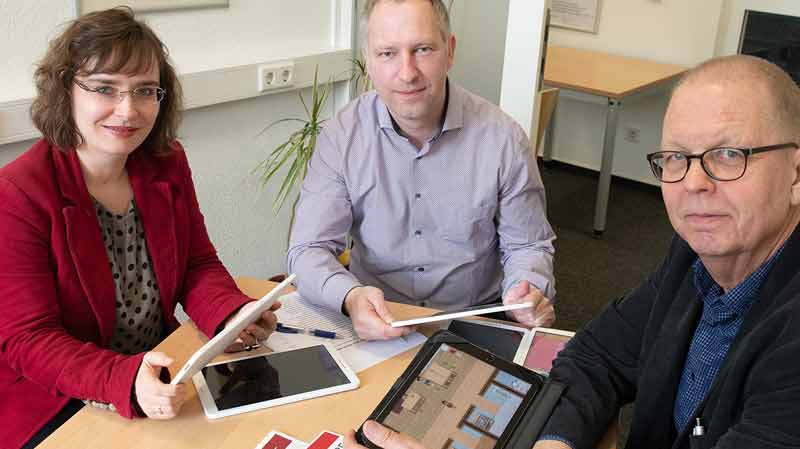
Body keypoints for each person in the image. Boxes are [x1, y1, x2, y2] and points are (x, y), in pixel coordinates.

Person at [343, 55, 800, 449]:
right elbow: (595, 355)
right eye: (677, 158)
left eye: (728, 155)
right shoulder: (693, 259)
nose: (695, 183)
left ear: (796, 174)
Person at [0, 8, 279, 449]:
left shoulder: (166, 163)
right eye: (105, 88)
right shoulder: (17, 192)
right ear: (65, 91)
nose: (128, 110)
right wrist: (123, 379)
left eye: (144, 91)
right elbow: (27, 340)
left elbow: (196, 263)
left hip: (162, 375)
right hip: (59, 400)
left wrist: (229, 314)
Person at [287, 0, 556, 341]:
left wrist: (526, 290)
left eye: (423, 49)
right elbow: (307, 249)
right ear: (368, 61)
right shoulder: (342, 137)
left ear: (450, 51)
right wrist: (351, 298)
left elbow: (528, 246)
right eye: (387, 53)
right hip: (378, 322)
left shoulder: (504, 140)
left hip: (473, 321)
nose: (407, 72)